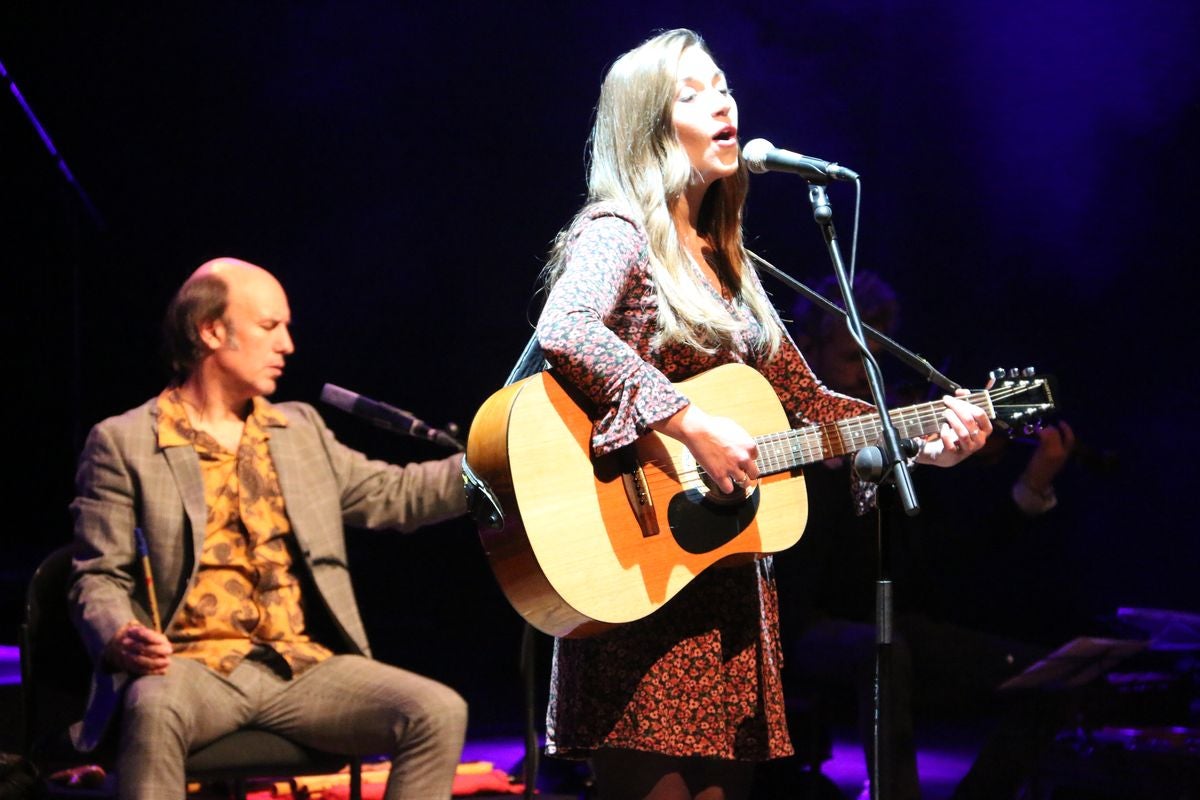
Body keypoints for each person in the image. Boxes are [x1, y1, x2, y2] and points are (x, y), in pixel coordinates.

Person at [533, 30, 990, 800]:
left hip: (727, 590)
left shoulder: (728, 262)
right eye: (692, 93)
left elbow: (810, 410)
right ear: (646, 125)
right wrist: (689, 421)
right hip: (638, 567)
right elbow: (566, 328)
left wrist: (920, 438)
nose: (723, 102)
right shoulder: (617, 231)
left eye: (724, 87)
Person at [67, 258, 469, 800]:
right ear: (211, 330)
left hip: (297, 666)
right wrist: (119, 634)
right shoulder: (124, 442)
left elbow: (396, 495)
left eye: (286, 327)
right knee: (152, 706)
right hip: (190, 666)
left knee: (435, 711)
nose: (287, 345)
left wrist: (494, 461)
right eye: (268, 326)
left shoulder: (297, 430)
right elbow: (98, 577)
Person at [776, 271, 1076, 800]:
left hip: (892, 618)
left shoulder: (893, 424)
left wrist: (1026, 483)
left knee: (1054, 678)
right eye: (850, 359)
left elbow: (947, 554)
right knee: (883, 648)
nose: (861, 381)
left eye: (871, 364)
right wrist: (828, 461)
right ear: (810, 346)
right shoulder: (769, 418)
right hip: (797, 623)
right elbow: (803, 564)